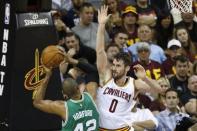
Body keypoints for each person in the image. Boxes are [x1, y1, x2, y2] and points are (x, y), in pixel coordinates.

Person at [96, 5, 162, 130]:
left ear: (127, 68)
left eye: (118, 66)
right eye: (114, 65)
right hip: (102, 128)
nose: (114, 68)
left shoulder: (134, 84)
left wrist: (145, 78)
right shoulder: (107, 76)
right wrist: (101, 25)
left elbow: (159, 91)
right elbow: (100, 51)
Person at [33, 67, 99, 131]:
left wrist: (47, 76)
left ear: (65, 95)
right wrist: (74, 62)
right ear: (78, 88)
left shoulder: (63, 107)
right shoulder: (91, 95)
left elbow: (37, 102)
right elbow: (93, 71)